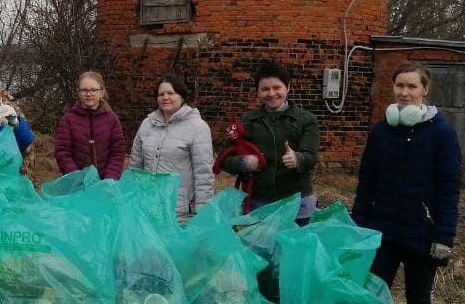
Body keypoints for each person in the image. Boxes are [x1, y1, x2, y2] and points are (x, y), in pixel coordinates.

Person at [352, 62, 462, 304]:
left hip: (422, 234)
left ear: (425, 90)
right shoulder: (381, 131)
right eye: (400, 85)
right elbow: (367, 183)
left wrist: (444, 237)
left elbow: (449, 189)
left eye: (412, 86)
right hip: (383, 230)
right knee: (374, 295)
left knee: (418, 300)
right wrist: (357, 226)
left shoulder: (442, 134)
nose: (404, 92)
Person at [216, 61, 321, 224]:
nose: (271, 93)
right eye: (265, 89)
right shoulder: (246, 121)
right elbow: (223, 159)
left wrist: (298, 159)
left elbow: (311, 157)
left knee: (296, 248)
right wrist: (243, 162)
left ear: (288, 88)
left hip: (297, 203)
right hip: (260, 202)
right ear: (258, 92)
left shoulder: (306, 120)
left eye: (277, 87)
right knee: (261, 248)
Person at [128, 74, 214, 221]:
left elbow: (204, 174)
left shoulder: (198, 127)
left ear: (182, 97)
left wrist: (203, 212)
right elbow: (136, 166)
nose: (165, 97)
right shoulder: (147, 124)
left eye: (170, 93)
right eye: (161, 94)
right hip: (148, 205)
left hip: (179, 209)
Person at [54, 71, 127, 180]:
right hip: (76, 185)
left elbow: (118, 152)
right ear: (78, 92)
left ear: (101, 92)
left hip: (105, 185)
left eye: (93, 90)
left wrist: (109, 180)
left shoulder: (112, 119)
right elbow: (62, 152)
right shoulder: (68, 120)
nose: (89, 94)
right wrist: (77, 179)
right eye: (84, 90)